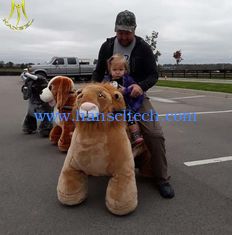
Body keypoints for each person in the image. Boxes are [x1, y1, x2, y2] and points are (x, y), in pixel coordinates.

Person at [92, 10, 175, 198]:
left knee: (154, 134)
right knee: (89, 123)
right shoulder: (107, 46)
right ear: (115, 30)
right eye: (120, 32)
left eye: (127, 32)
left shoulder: (144, 48)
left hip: (135, 96)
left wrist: (141, 85)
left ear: (134, 30)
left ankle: (162, 178)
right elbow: (97, 73)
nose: (123, 36)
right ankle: (88, 167)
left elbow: (153, 75)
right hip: (109, 96)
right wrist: (95, 93)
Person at [104, 53, 144, 146]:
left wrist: (125, 90)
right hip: (111, 106)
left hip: (125, 105)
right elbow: (102, 90)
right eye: (114, 69)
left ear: (125, 70)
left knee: (130, 118)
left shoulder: (127, 80)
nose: (118, 72)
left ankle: (136, 135)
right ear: (110, 70)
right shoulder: (107, 80)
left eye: (121, 69)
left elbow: (133, 90)